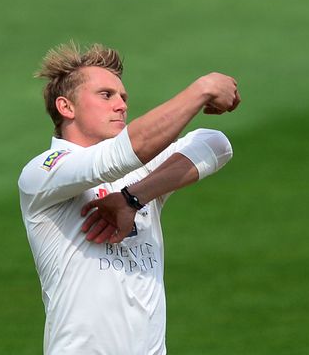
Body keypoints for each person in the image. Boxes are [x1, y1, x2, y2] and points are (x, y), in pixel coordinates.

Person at [18, 41, 240, 354]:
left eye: (123, 97)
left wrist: (133, 197)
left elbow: (216, 144)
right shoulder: (45, 173)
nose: (121, 105)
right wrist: (202, 89)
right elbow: (119, 156)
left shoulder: (139, 177)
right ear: (66, 107)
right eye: (106, 95)